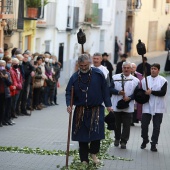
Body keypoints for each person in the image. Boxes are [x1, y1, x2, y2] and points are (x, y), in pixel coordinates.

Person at [65, 54, 112, 164]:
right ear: (78, 64)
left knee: (97, 134)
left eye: (86, 65)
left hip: (96, 109)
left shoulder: (98, 74)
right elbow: (68, 92)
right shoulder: (75, 77)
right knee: (82, 136)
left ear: (89, 63)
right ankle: (84, 159)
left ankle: (94, 154)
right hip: (80, 110)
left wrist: (108, 105)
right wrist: (69, 104)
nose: (84, 67)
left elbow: (105, 90)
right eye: (81, 65)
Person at [110, 61, 139, 149]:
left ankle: (124, 141)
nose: (126, 69)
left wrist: (129, 97)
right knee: (116, 124)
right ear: (122, 68)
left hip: (128, 105)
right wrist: (118, 92)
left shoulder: (136, 80)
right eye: (124, 68)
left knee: (127, 125)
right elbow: (110, 89)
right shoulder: (115, 77)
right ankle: (117, 138)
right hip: (116, 104)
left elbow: (137, 93)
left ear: (131, 69)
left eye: (128, 68)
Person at [140, 63, 168, 152]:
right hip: (147, 106)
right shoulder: (144, 80)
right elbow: (140, 92)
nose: (153, 70)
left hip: (158, 106)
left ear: (158, 70)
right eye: (152, 68)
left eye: (155, 68)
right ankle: (145, 139)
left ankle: (154, 143)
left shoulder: (163, 81)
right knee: (144, 125)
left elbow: (162, 93)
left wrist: (151, 92)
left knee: (156, 126)